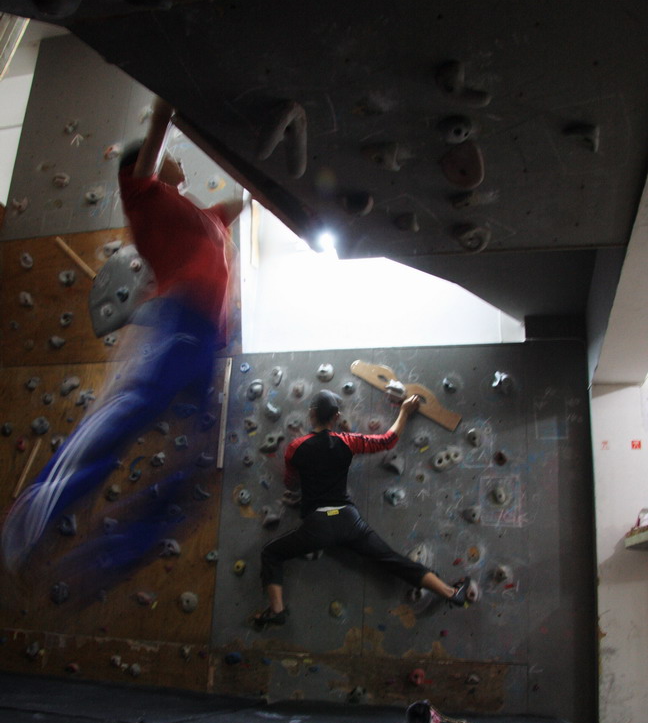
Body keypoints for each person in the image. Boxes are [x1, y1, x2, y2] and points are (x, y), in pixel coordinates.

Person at [2, 97, 243, 578]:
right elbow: (155, 137)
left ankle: (112, 557)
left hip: (205, 340)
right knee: (127, 415)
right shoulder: (144, 194)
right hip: (179, 320)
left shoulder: (206, 217)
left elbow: (240, 201)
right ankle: (37, 508)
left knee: (199, 455)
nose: (179, 163)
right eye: (171, 157)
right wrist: (166, 111)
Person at [254, 389, 479, 627]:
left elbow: (291, 483)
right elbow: (387, 441)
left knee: (271, 553)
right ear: (336, 417)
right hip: (347, 519)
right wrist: (404, 411)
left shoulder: (295, 447)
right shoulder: (346, 441)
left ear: (311, 414)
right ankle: (450, 592)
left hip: (318, 523)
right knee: (392, 560)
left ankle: (277, 609)